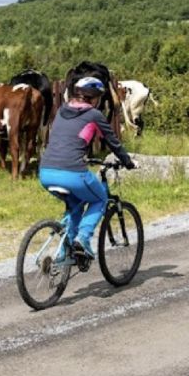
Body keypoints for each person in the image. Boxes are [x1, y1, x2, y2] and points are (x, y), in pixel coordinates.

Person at [39, 76, 135, 272]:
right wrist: (128, 161)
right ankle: (82, 239)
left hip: (45, 172)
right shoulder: (93, 115)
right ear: (95, 99)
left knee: (76, 205)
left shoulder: (61, 111)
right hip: (72, 173)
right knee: (99, 198)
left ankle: (65, 252)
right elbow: (112, 141)